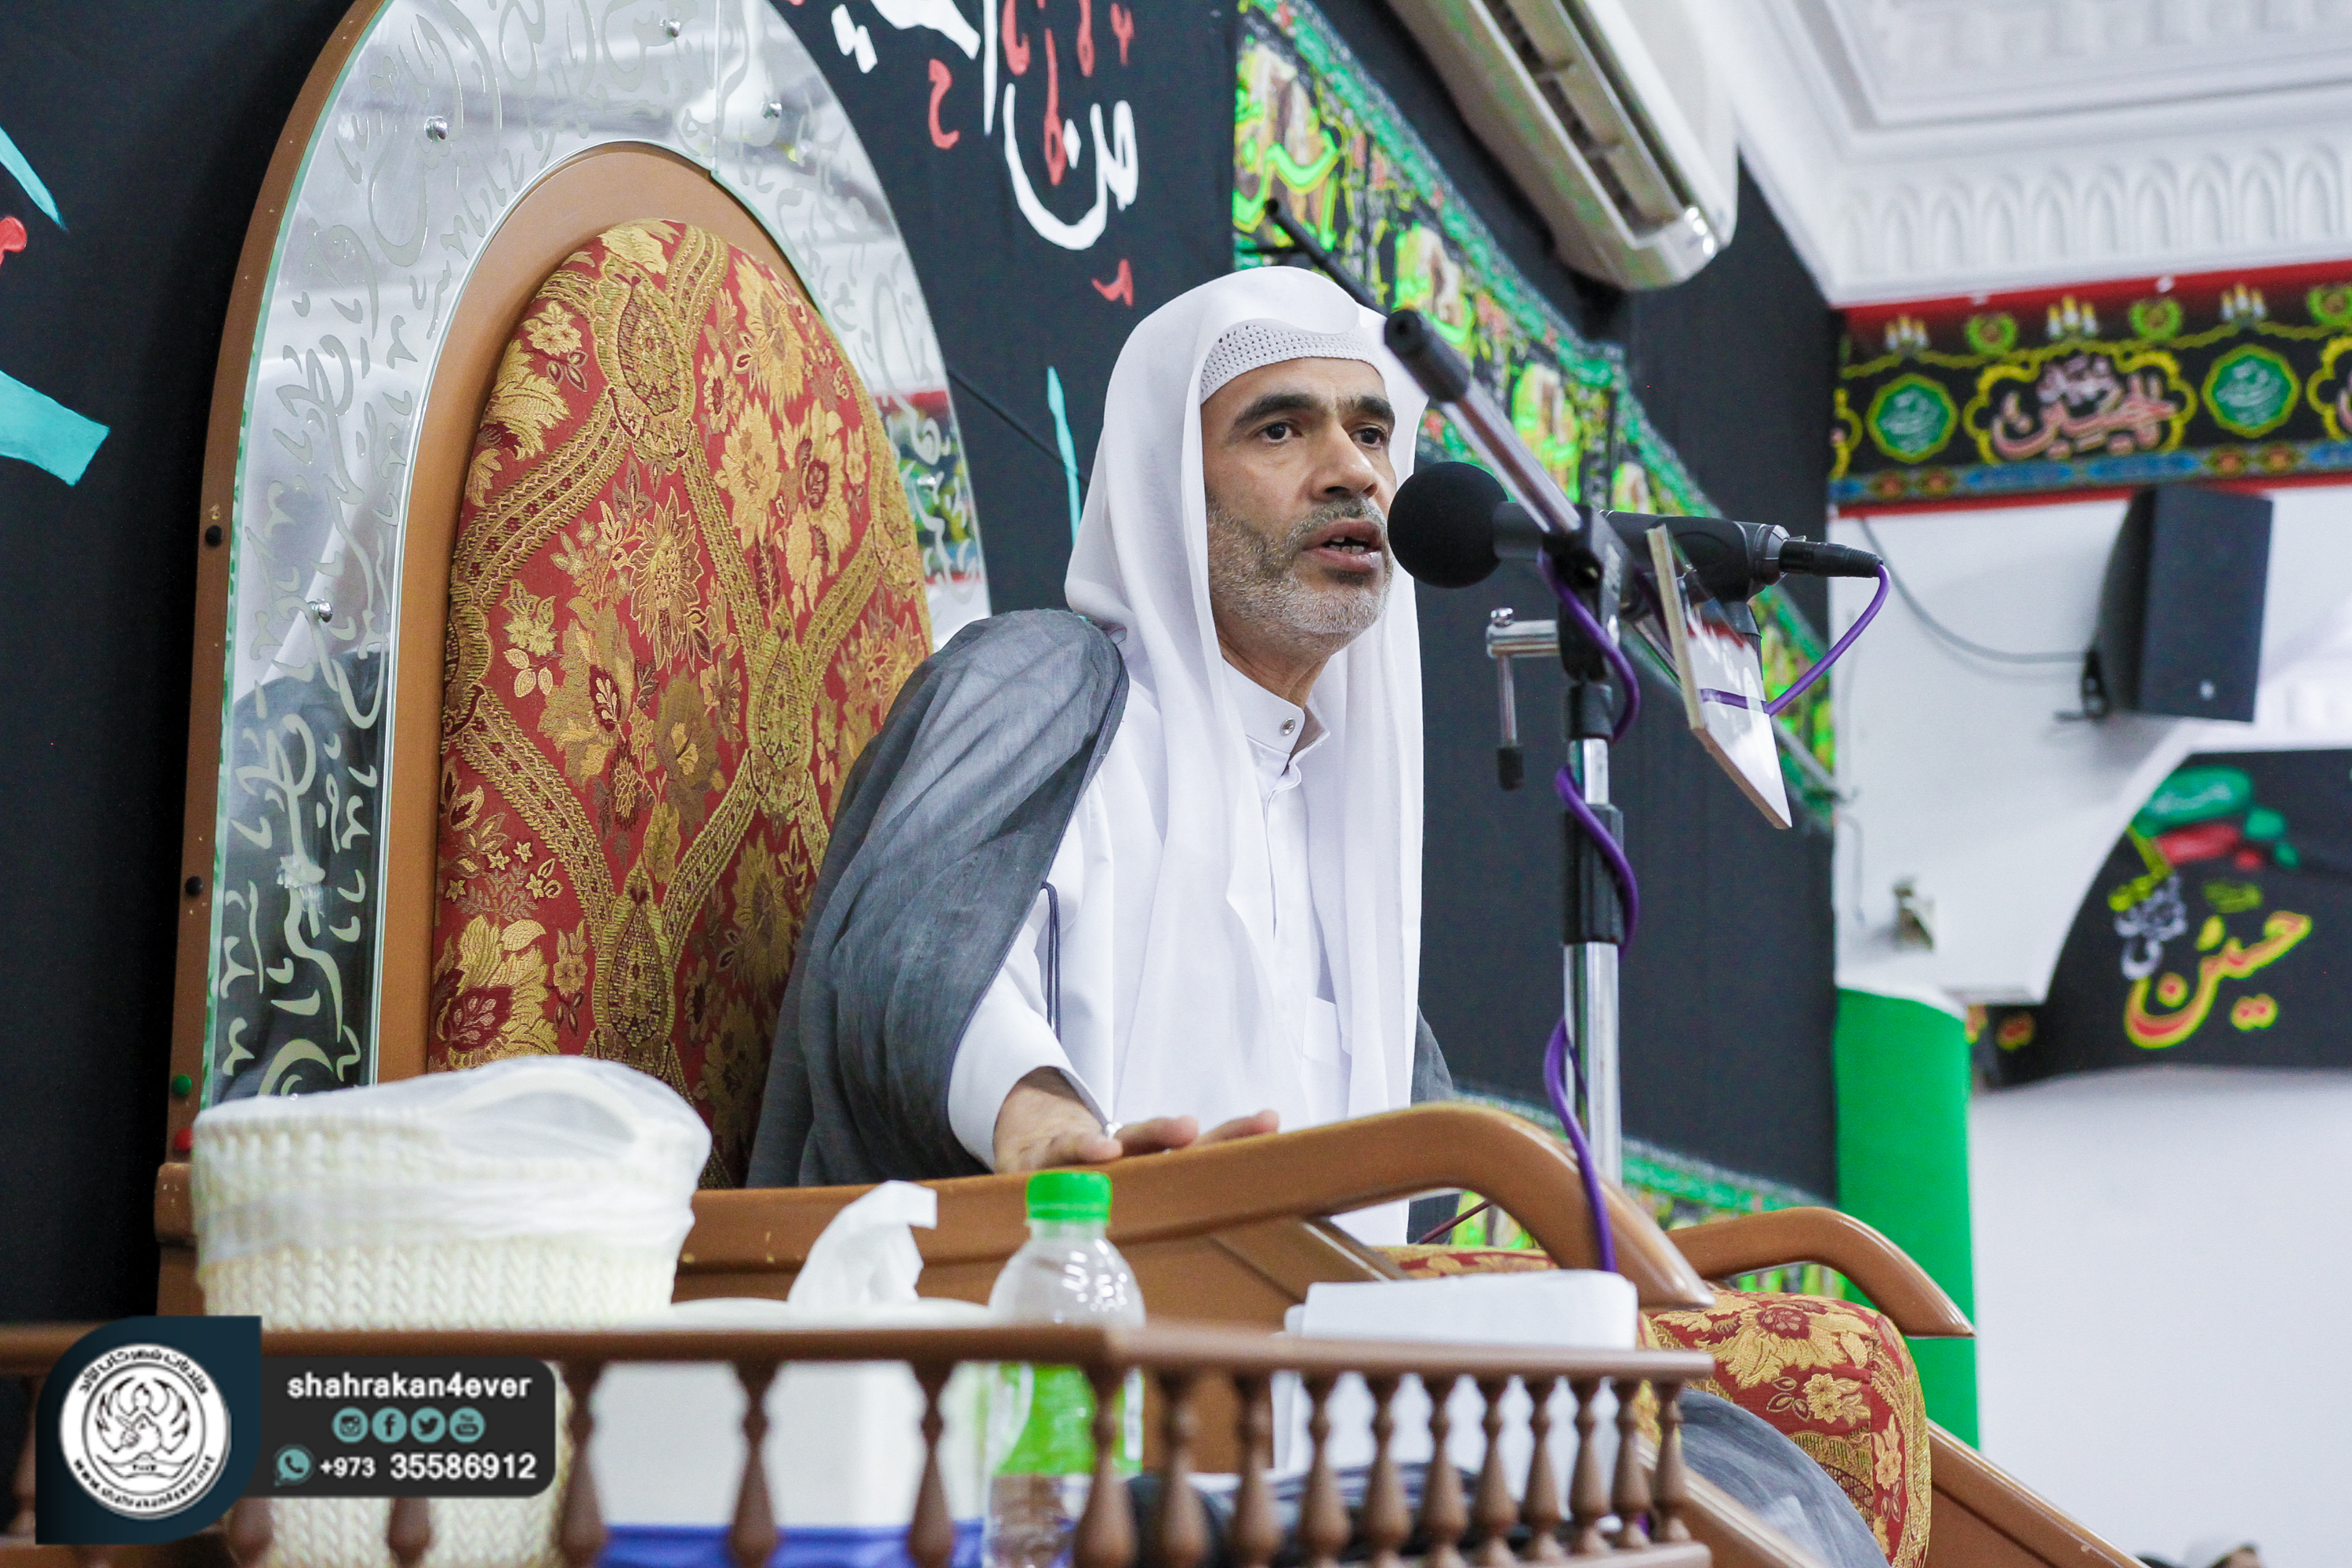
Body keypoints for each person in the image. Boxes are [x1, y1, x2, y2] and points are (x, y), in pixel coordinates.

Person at [746, 268, 1449, 1240]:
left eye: (1371, 433)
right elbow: (913, 960)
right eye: (1280, 430)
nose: (1353, 472)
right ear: (1168, 488)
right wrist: (1046, 1122)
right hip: (1018, 1296)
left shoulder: (1346, 841)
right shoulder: (1050, 687)